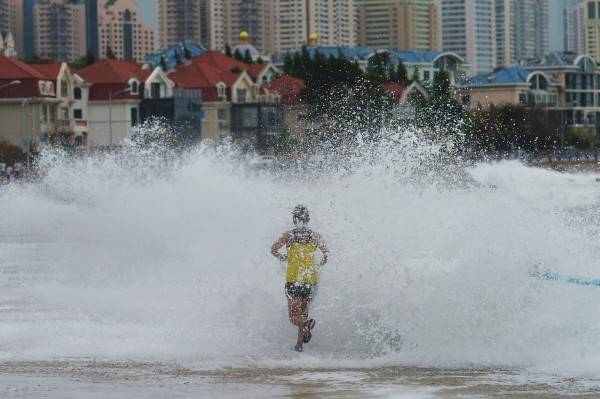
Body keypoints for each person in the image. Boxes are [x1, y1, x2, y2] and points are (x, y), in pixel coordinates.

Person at [271, 205, 329, 352]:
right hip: (311, 281)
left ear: (295, 219)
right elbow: (326, 254)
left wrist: (284, 258)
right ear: (307, 219)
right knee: (302, 314)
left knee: (294, 317)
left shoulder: (288, 235)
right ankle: (299, 345)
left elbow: (273, 249)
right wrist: (318, 264)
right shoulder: (315, 236)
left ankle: (305, 326)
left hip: (294, 281)